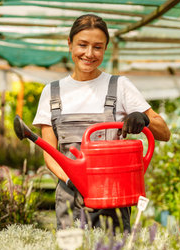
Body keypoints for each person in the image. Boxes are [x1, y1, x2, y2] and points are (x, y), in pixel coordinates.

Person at [33, 14, 170, 231]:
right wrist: (76, 183)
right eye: (82, 45)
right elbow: (50, 153)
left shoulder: (119, 86)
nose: (89, 53)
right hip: (71, 197)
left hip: (113, 197)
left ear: (105, 48)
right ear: (69, 45)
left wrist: (144, 119)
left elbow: (164, 132)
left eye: (97, 47)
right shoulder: (52, 92)